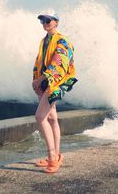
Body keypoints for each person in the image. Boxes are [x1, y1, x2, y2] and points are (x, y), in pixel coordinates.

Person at [32, 14, 78, 173]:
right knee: (51, 118)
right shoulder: (44, 41)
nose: (44, 23)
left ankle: (52, 157)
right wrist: (36, 80)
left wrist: (41, 80)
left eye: (48, 21)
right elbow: (40, 61)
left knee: (40, 117)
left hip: (56, 84)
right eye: (42, 21)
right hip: (46, 83)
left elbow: (58, 64)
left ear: (56, 22)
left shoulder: (62, 41)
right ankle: (57, 155)